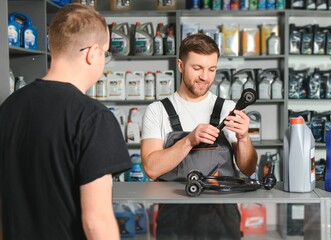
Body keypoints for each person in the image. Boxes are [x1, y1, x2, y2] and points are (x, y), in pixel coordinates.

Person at [0, 4, 131, 240]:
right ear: (92, 53)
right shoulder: (93, 117)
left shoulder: (9, 108)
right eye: (106, 53)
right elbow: (96, 221)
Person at [141, 33, 258, 239]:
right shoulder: (157, 110)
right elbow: (151, 169)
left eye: (211, 69)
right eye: (197, 68)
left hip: (223, 214)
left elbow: (248, 169)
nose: (205, 77)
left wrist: (244, 139)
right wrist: (189, 140)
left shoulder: (228, 108)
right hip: (174, 213)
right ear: (180, 65)